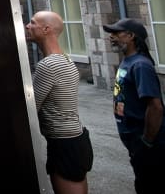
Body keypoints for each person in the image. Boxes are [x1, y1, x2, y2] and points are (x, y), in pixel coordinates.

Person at [26, 10, 93, 194]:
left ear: (46, 29)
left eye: (32, 23)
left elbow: (31, 109)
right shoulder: (65, 59)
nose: (27, 26)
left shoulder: (48, 65)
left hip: (65, 144)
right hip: (74, 140)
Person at [103, 17, 165, 194]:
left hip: (149, 145)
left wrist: (146, 142)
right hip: (134, 141)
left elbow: (155, 107)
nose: (111, 37)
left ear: (130, 36)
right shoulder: (127, 61)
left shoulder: (140, 65)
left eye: (116, 33)